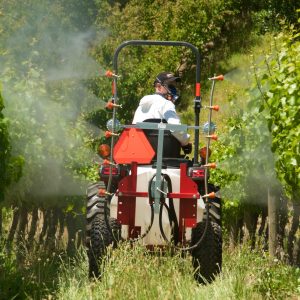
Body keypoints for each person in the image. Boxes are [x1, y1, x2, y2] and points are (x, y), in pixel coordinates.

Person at [132, 71, 192, 154]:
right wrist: (185, 143)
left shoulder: (140, 107)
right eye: (170, 85)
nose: (173, 89)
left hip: (140, 155)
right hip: (164, 157)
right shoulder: (166, 104)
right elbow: (176, 129)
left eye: (174, 86)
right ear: (159, 87)